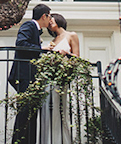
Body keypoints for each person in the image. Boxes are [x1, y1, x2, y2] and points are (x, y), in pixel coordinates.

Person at [8, 3, 51, 144]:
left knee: (30, 113)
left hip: (29, 76)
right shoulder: (29, 25)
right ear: (44, 16)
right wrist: (41, 48)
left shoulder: (35, 29)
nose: (50, 20)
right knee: (25, 113)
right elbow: (21, 43)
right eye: (49, 16)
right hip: (24, 75)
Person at [40, 13, 80, 144]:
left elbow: (77, 58)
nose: (50, 22)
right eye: (49, 20)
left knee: (60, 111)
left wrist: (66, 54)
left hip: (61, 80)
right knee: (47, 112)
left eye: (52, 19)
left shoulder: (71, 35)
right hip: (48, 80)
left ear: (59, 19)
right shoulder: (52, 42)